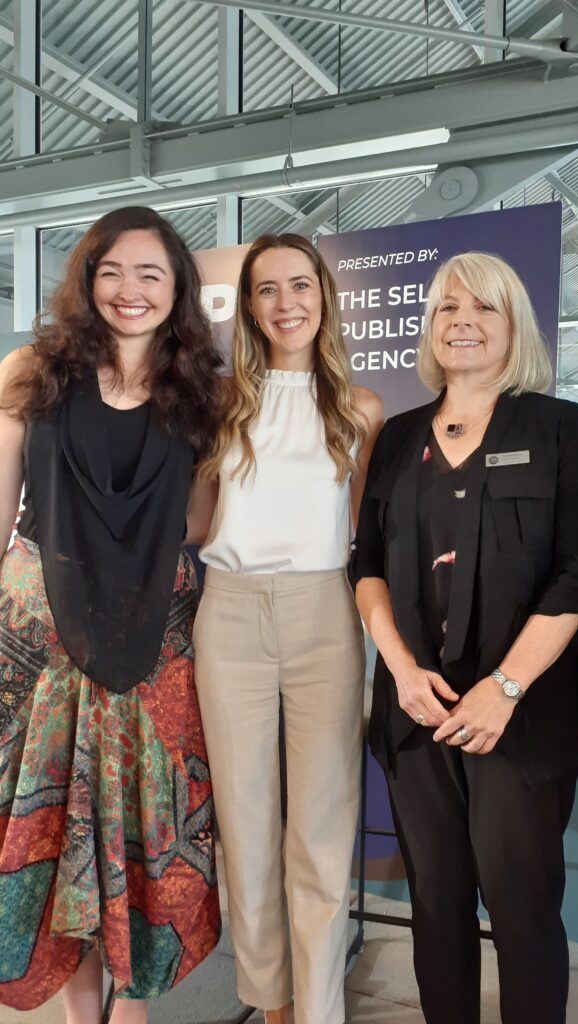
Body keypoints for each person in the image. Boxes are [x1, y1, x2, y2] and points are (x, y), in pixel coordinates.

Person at [350, 251, 578, 1024]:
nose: (462, 320)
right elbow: (366, 568)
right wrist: (399, 669)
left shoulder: (559, 426)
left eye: (483, 307)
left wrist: (505, 687)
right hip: (418, 714)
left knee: (524, 912)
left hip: (520, 721)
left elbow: (576, 576)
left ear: (513, 323)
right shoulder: (394, 438)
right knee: (437, 909)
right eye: (446, 308)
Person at [0, 206, 223, 1023]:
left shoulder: (202, 391)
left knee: (138, 837)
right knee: (54, 835)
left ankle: (130, 1014)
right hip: (42, 638)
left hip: (153, 645)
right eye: (113, 271)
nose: (130, 291)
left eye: (150, 274)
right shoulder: (31, 371)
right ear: (88, 278)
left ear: (177, 290)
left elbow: (199, 524)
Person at [193, 232, 383, 1024]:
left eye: (299, 285)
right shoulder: (218, 398)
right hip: (230, 609)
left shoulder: (361, 408)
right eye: (266, 290)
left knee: (322, 828)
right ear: (248, 306)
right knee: (245, 824)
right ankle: (270, 1002)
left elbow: (361, 529)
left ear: (323, 296)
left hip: (324, 614)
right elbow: (197, 519)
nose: (285, 304)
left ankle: (321, 1010)